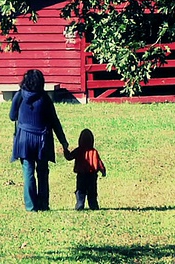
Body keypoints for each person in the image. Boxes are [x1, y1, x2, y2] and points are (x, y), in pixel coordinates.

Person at [9, 69, 69, 211]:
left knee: (28, 171)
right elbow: (55, 122)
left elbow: (12, 116)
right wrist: (64, 142)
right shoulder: (45, 98)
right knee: (42, 172)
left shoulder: (19, 96)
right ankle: (43, 204)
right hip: (42, 140)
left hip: (24, 139)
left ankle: (31, 206)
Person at [64, 128, 106, 210]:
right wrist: (103, 170)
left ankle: (80, 203)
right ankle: (93, 205)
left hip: (81, 175)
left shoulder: (78, 150)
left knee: (80, 190)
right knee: (92, 191)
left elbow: (69, 157)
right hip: (92, 176)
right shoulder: (94, 151)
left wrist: (65, 150)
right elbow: (99, 162)